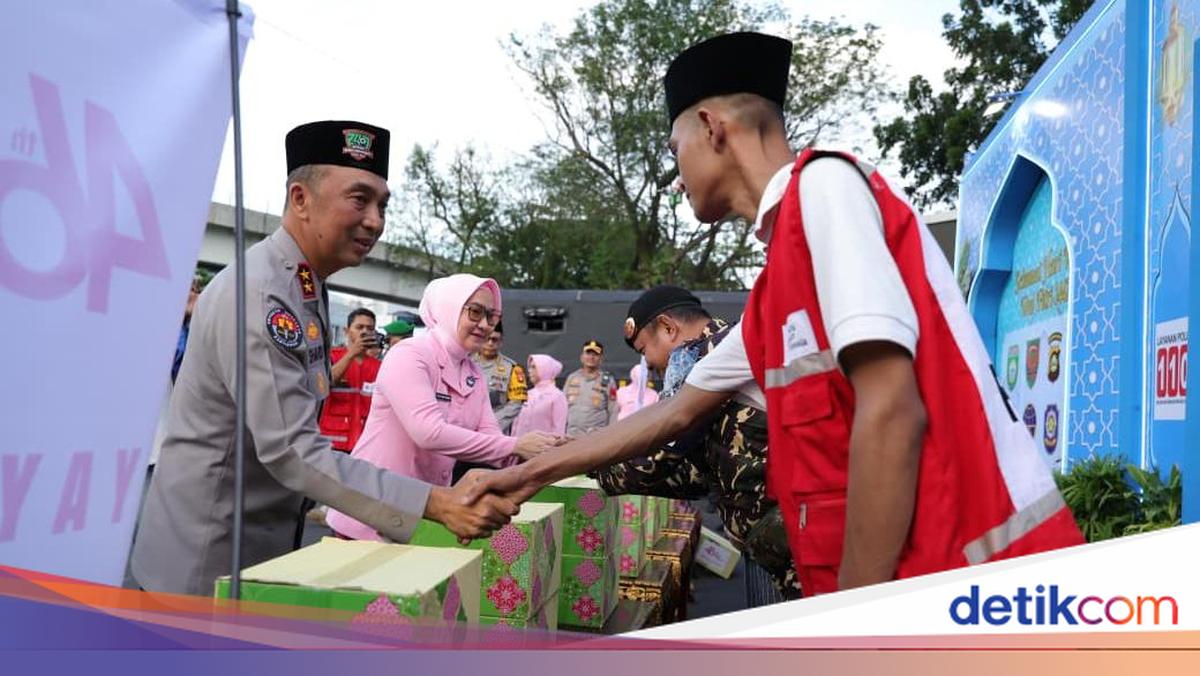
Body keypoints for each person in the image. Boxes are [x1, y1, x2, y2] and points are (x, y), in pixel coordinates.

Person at [465, 32, 1083, 596]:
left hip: (977, 584)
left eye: (676, 151)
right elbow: (673, 413)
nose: (677, 179)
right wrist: (532, 473)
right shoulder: (772, 292)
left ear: (711, 127)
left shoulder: (826, 186)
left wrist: (850, 623)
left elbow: (892, 410)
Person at [130, 121, 518, 596]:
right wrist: (435, 503)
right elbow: (292, 450)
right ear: (300, 199)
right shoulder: (263, 293)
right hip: (204, 561)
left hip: (254, 550)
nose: (375, 221)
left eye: (382, 205)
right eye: (359, 199)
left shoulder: (303, 286)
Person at [598, 284, 799, 601]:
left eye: (644, 349)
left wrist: (585, 464)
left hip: (791, 544)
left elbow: (652, 462)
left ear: (668, 328)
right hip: (771, 544)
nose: (648, 363)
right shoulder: (717, 347)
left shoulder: (707, 356)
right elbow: (697, 473)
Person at [326, 274, 557, 541]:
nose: (485, 325)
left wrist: (547, 452)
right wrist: (515, 445)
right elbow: (428, 432)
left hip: (420, 514)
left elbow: (492, 440)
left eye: (491, 316)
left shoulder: (473, 373)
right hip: (368, 509)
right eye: (475, 312)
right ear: (450, 308)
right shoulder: (411, 354)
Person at [319, 308, 382, 453]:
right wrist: (351, 354)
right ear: (346, 331)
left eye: (370, 328)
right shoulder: (331, 357)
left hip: (364, 445)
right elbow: (324, 385)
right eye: (359, 327)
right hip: (331, 445)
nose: (364, 332)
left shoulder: (380, 367)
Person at [472, 321, 527, 435]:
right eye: (487, 338)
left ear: (501, 341)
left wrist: (489, 425)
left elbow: (516, 403)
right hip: (464, 428)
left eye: (495, 340)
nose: (490, 343)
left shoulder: (513, 369)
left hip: (495, 430)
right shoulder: (465, 362)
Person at [563, 340, 618, 436]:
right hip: (571, 435)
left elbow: (613, 410)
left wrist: (611, 435)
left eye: (595, 354)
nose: (591, 357)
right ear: (582, 357)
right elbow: (562, 406)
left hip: (596, 437)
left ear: (601, 359)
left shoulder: (608, 380)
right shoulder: (572, 378)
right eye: (588, 353)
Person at [510, 354, 568, 437]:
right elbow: (515, 425)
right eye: (529, 367)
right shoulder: (527, 394)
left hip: (544, 444)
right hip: (520, 444)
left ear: (545, 369)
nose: (529, 371)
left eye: (534, 367)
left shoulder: (557, 396)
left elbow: (559, 430)